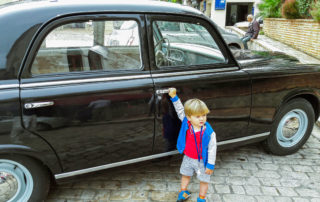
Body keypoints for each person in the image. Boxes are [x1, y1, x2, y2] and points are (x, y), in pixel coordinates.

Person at [168, 88, 217, 202]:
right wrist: (174, 97)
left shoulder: (209, 133)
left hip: (202, 161)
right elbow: (180, 110)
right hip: (188, 158)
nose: (202, 118)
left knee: (204, 180)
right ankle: (183, 192)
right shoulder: (187, 122)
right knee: (185, 175)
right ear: (189, 117)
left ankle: (201, 198)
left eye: (204, 115)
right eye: (198, 116)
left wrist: (210, 165)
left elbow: (212, 149)